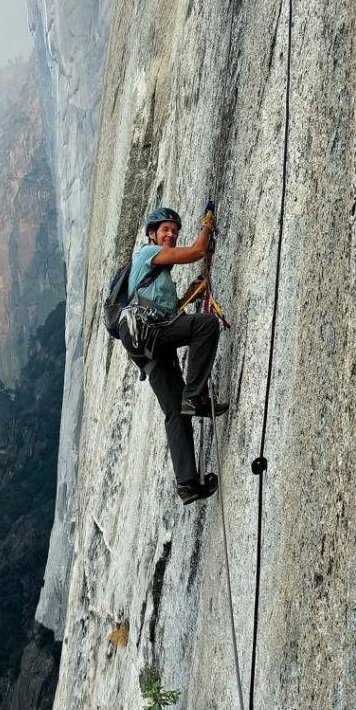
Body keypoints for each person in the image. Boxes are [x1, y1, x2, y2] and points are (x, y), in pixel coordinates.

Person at [120, 205, 228, 504]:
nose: (171, 234)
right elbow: (196, 252)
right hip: (150, 334)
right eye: (165, 229)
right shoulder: (146, 253)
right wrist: (207, 225)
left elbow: (167, 315)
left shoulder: (156, 276)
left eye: (174, 231)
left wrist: (187, 295)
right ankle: (195, 396)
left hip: (147, 347)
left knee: (174, 413)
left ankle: (187, 484)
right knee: (206, 326)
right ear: (152, 234)